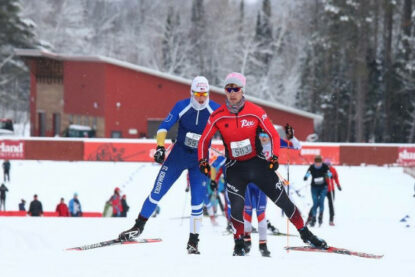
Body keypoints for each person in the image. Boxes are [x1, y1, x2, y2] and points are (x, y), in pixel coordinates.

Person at [198, 72, 327, 256]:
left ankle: (306, 234)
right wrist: (202, 161)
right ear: (225, 91)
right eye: (228, 89)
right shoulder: (218, 115)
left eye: (236, 89)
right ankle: (238, 244)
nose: (232, 93)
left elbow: (274, 135)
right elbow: (204, 140)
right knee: (236, 208)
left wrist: (274, 157)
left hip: (258, 165)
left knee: (284, 201)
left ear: (242, 90)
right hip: (235, 168)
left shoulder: (256, 111)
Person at [118, 76, 220, 255]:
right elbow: (163, 127)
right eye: (197, 94)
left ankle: (193, 242)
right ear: (191, 93)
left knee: (197, 203)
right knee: (157, 192)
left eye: (204, 94)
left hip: (200, 161)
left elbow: (230, 130)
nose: (201, 98)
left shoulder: (216, 109)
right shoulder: (182, 106)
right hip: (178, 156)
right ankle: (138, 226)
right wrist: (159, 147)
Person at [241, 123, 301, 257]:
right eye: (261, 135)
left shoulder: (276, 142)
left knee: (261, 213)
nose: (263, 138)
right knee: (247, 213)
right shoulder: (251, 142)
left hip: (263, 184)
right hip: (249, 184)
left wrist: (291, 137)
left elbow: (297, 146)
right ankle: (246, 242)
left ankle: (263, 245)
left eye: (266, 135)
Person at [304, 155, 333, 227]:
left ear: (321, 162)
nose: (318, 164)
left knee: (321, 201)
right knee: (315, 202)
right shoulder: (312, 167)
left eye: (319, 162)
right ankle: (313, 218)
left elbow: (329, 172)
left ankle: (320, 216)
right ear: (314, 162)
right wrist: (306, 177)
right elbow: (308, 173)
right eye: (316, 163)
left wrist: (329, 175)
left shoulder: (324, 166)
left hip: (323, 187)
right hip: (314, 188)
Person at [324, 159, 341, 226]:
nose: (328, 166)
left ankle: (331, 220)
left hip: (331, 190)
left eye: (329, 164)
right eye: (326, 165)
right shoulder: (322, 169)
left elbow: (336, 178)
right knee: (318, 203)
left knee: (331, 205)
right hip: (323, 189)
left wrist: (338, 185)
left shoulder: (333, 170)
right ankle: (312, 219)